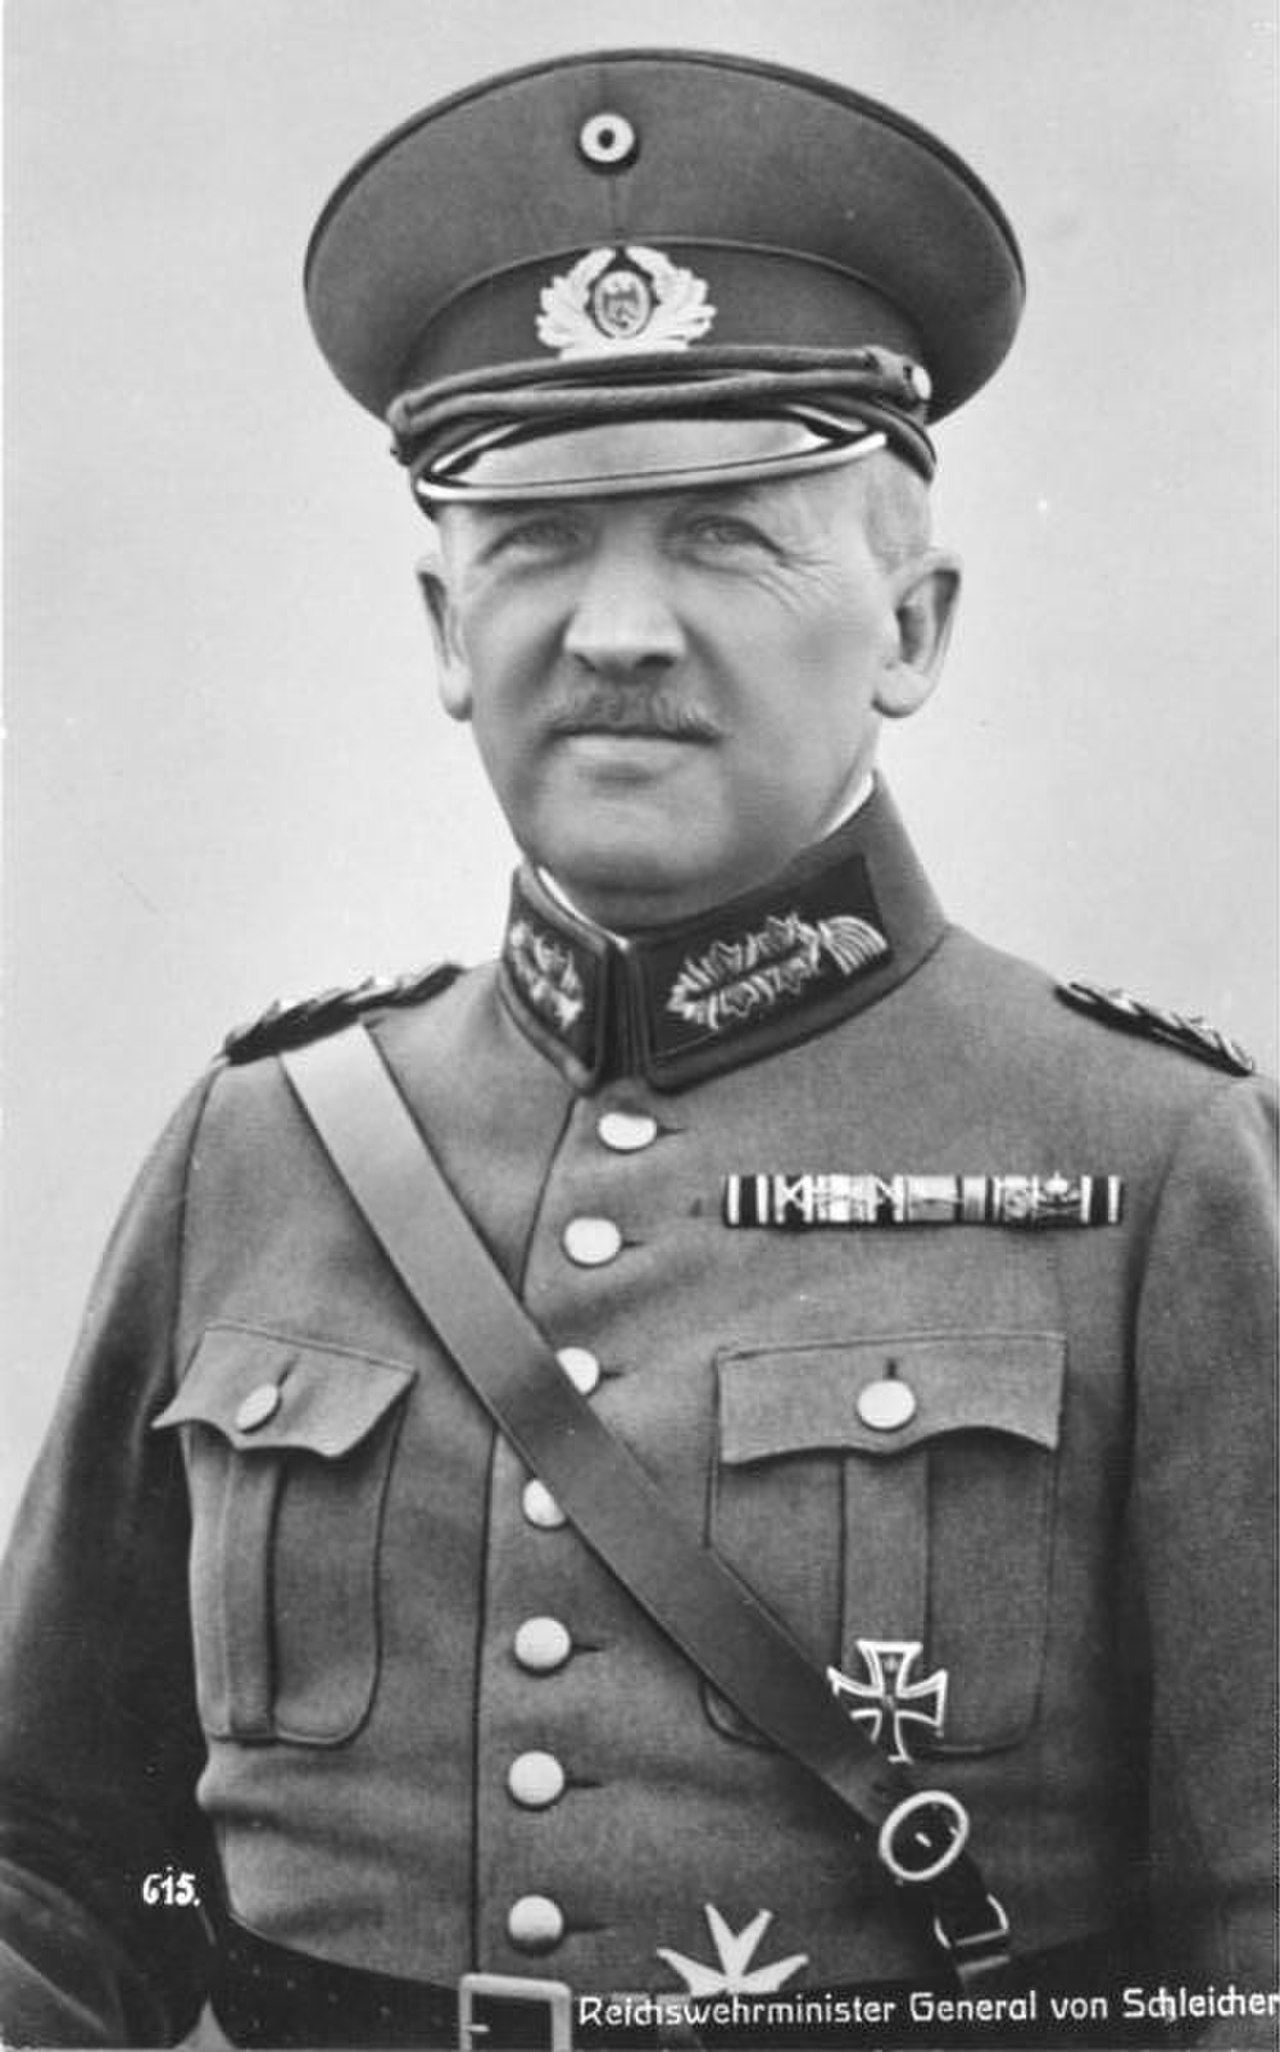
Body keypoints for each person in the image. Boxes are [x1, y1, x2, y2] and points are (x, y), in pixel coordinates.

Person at [1, 46, 1275, 2052]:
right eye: (535, 542)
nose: (613, 631)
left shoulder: (1153, 1163)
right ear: (445, 628)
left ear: (914, 629)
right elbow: (62, 1862)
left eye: (726, 536)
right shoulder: (261, 1149)